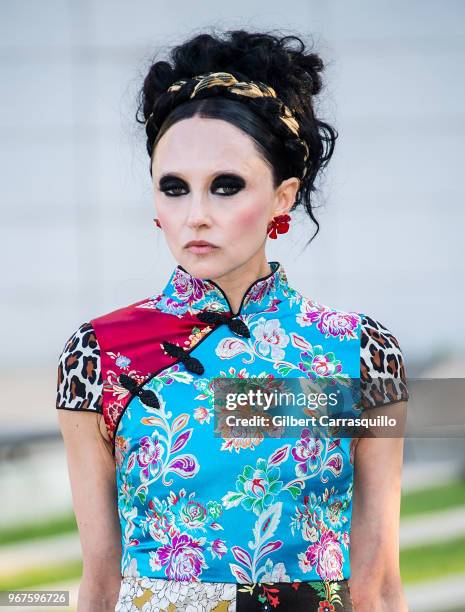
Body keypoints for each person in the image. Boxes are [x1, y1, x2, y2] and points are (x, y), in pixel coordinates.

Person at [56, 29, 409, 612]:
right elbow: (101, 582)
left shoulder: (364, 353)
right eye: (174, 188)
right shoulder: (96, 355)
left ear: (283, 197)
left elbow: (379, 584)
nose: (195, 216)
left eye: (226, 187)